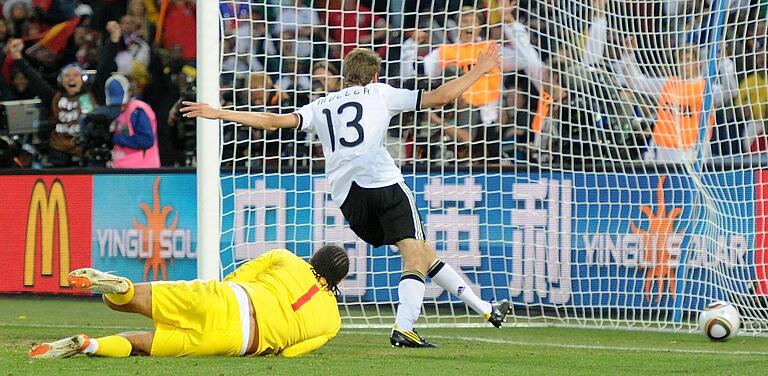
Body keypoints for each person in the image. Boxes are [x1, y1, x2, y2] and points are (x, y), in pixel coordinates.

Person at [181, 44, 511, 348]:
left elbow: (272, 122)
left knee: (422, 251)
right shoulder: (380, 93)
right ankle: (404, 326)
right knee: (414, 253)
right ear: (374, 76)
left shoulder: (321, 104)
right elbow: (439, 97)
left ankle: (486, 309)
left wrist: (219, 113)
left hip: (348, 199)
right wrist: (480, 70)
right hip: (382, 182)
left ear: (344, 76)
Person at [29, 245, 349, 359]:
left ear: (313, 258)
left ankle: (117, 284)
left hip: (230, 300)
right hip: (239, 341)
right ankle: (89, 346)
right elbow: (292, 353)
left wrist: (217, 302)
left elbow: (237, 278)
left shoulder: (285, 258)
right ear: (336, 282)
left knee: (124, 301)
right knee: (143, 345)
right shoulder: (333, 322)